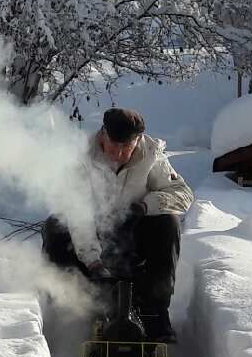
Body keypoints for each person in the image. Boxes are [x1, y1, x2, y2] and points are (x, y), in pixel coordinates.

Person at [41, 107, 193, 342]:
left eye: (127, 148)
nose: (120, 154)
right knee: (54, 225)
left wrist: (144, 207)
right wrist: (93, 263)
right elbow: (77, 216)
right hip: (89, 235)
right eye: (115, 146)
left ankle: (155, 312)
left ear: (138, 141)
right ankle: (67, 310)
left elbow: (182, 194)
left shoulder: (150, 155)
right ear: (103, 135)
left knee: (168, 223)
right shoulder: (79, 158)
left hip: (132, 233)